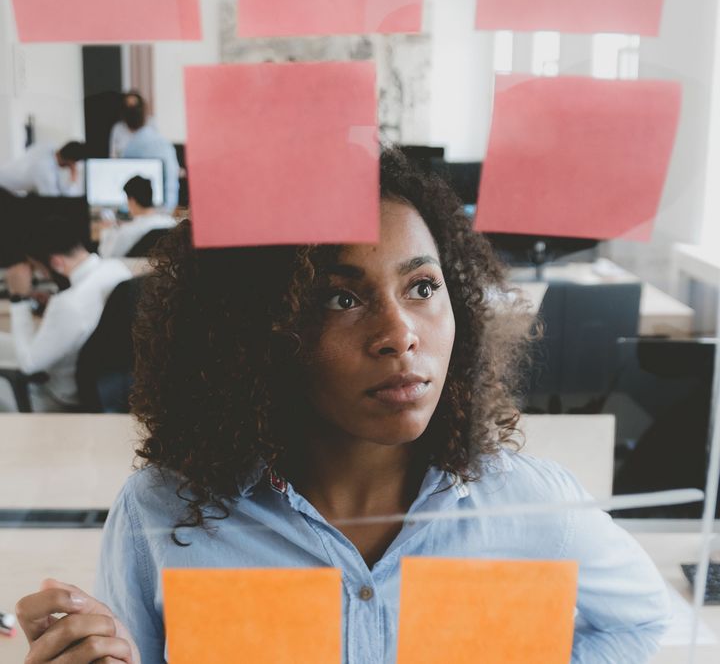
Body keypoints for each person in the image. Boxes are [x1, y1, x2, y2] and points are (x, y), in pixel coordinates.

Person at [15, 149, 671, 662]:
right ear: (260, 330)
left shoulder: (533, 508)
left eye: (421, 285)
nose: (399, 333)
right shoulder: (163, 511)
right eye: (341, 298)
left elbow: (644, 616)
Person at [0, 217, 131, 411]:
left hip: (58, 398)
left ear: (56, 262)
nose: (41, 275)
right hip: (108, 385)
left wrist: (19, 299)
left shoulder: (68, 304)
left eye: (39, 269)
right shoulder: (116, 269)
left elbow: (28, 364)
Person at [119, 93, 180, 213]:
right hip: (164, 213)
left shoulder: (131, 148)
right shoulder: (164, 144)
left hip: (144, 214)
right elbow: (173, 184)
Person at [98, 176, 177, 258]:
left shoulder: (127, 231)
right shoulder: (171, 222)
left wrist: (106, 230)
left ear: (132, 200)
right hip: (164, 268)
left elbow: (106, 257)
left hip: (136, 270)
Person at [0, 141, 86, 197]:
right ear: (70, 162)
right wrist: (73, 178)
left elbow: (59, 188)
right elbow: (55, 201)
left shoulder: (50, 148)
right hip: (3, 188)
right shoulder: (45, 171)